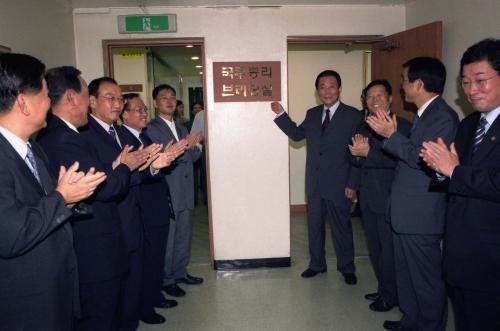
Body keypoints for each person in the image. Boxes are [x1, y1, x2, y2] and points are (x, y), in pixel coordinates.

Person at [0, 54, 106, 330]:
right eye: (46, 95)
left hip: (54, 287)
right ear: (24, 102)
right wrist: (63, 198)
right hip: (23, 302)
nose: (50, 104)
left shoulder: (32, 148)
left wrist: (73, 197)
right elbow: (12, 235)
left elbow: (49, 203)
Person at [366, 57, 459, 331]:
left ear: (418, 84)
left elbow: (424, 158)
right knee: (406, 275)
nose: (402, 85)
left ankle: (430, 326)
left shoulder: (442, 116)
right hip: (405, 212)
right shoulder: (422, 115)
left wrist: (391, 136)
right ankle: (411, 321)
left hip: (421, 215)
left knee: (425, 279)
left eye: (405, 80)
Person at [420, 38, 500, 331]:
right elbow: (455, 178)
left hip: (492, 257)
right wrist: (441, 171)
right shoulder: (469, 125)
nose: (471, 90)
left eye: (480, 80)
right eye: (465, 82)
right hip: (462, 254)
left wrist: (454, 171)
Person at [82, 76, 161, 331]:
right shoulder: (85, 135)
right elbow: (105, 180)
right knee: (110, 301)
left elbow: (130, 174)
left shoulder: (116, 131)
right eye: (110, 98)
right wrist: (123, 167)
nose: (116, 104)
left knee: (130, 288)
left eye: (119, 98)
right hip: (108, 227)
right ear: (91, 101)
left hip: (130, 221)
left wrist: (153, 167)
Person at [270, 70, 363, 284]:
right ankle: (317, 264)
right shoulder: (312, 114)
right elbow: (297, 135)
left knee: (342, 228)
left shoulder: (354, 115)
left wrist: (353, 183)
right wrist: (281, 114)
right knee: (314, 225)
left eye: (332, 86)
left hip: (341, 184)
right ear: (317, 91)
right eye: (322, 86)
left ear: (339, 89)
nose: (327, 91)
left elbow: (359, 154)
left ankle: (347, 267)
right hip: (314, 182)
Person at [120, 93, 186, 325]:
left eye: (144, 109)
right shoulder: (126, 141)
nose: (143, 113)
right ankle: (145, 307)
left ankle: (154, 295)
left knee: (156, 258)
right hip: (144, 210)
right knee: (147, 260)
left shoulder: (144, 137)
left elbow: (156, 170)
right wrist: (156, 164)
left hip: (157, 206)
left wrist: (169, 156)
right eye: (138, 110)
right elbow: (138, 175)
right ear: (124, 114)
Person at [349, 80, 410, 312]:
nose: (374, 101)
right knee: (375, 250)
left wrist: (369, 153)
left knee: (389, 253)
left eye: (379, 95)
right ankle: (384, 288)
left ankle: (392, 295)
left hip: (390, 199)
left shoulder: (401, 126)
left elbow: (401, 160)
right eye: (370, 96)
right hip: (368, 198)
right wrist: (356, 154)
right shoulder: (363, 126)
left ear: (391, 98)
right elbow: (353, 158)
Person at [146, 84, 204, 298]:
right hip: (168, 190)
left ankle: (180, 271)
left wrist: (195, 146)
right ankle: (166, 278)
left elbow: (193, 158)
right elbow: (160, 158)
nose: (169, 101)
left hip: (186, 189)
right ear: (155, 103)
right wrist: (183, 147)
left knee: (184, 234)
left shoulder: (181, 127)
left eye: (172, 97)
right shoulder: (151, 129)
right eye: (164, 98)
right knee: (169, 238)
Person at [190, 101, 207, 205]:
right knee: (205, 177)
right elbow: (194, 135)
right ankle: (207, 200)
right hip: (204, 149)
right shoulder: (200, 115)